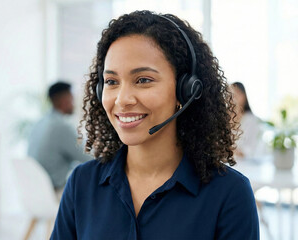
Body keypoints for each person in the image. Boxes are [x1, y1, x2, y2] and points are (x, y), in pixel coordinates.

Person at [51, 11, 259, 239]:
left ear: (185, 91)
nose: (122, 99)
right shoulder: (82, 183)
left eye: (143, 80)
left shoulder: (229, 194)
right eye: (111, 81)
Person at [28, 81, 91, 192]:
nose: (74, 103)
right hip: (56, 190)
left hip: (36, 191)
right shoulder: (60, 126)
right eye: (72, 99)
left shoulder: (40, 123)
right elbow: (87, 157)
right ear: (63, 100)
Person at [231, 82, 265, 160]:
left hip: (246, 164)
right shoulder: (224, 120)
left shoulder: (252, 120)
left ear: (244, 96)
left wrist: (231, 151)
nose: (233, 97)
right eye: (231, 94)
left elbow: (251, 149)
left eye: (237, 93)